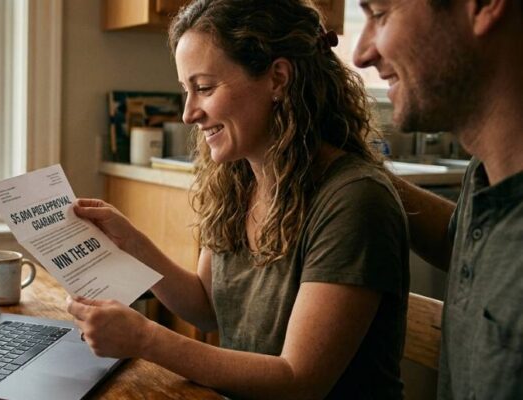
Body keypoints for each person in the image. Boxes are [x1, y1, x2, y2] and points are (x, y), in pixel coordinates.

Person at [66, 0, 411, 398]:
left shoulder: (353, 200)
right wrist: (131, 244)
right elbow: (207, 308)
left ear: (278, 79)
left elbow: (299, 381)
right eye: (185, 90)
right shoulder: (238, 180)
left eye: (205, 88)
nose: (188, 113)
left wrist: (146, 339)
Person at [352, 0, 523, 398]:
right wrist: (348, 164)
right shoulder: (485, 173)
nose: (360, 54)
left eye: (379, 13)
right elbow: (471, 251)